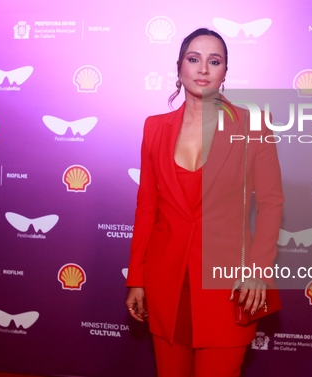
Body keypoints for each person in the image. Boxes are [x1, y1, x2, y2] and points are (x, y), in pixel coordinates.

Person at [125, 28, 283, 377]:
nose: (203, 69)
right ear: (179, 67)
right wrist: (137, 277)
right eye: (194, 59)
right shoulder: (155, 128)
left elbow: (271, 203)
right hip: (167, 285)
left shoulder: (253, 125)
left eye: (215, 61)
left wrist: (258, 270)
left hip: (227, 288)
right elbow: (147, 206)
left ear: (225, 72)